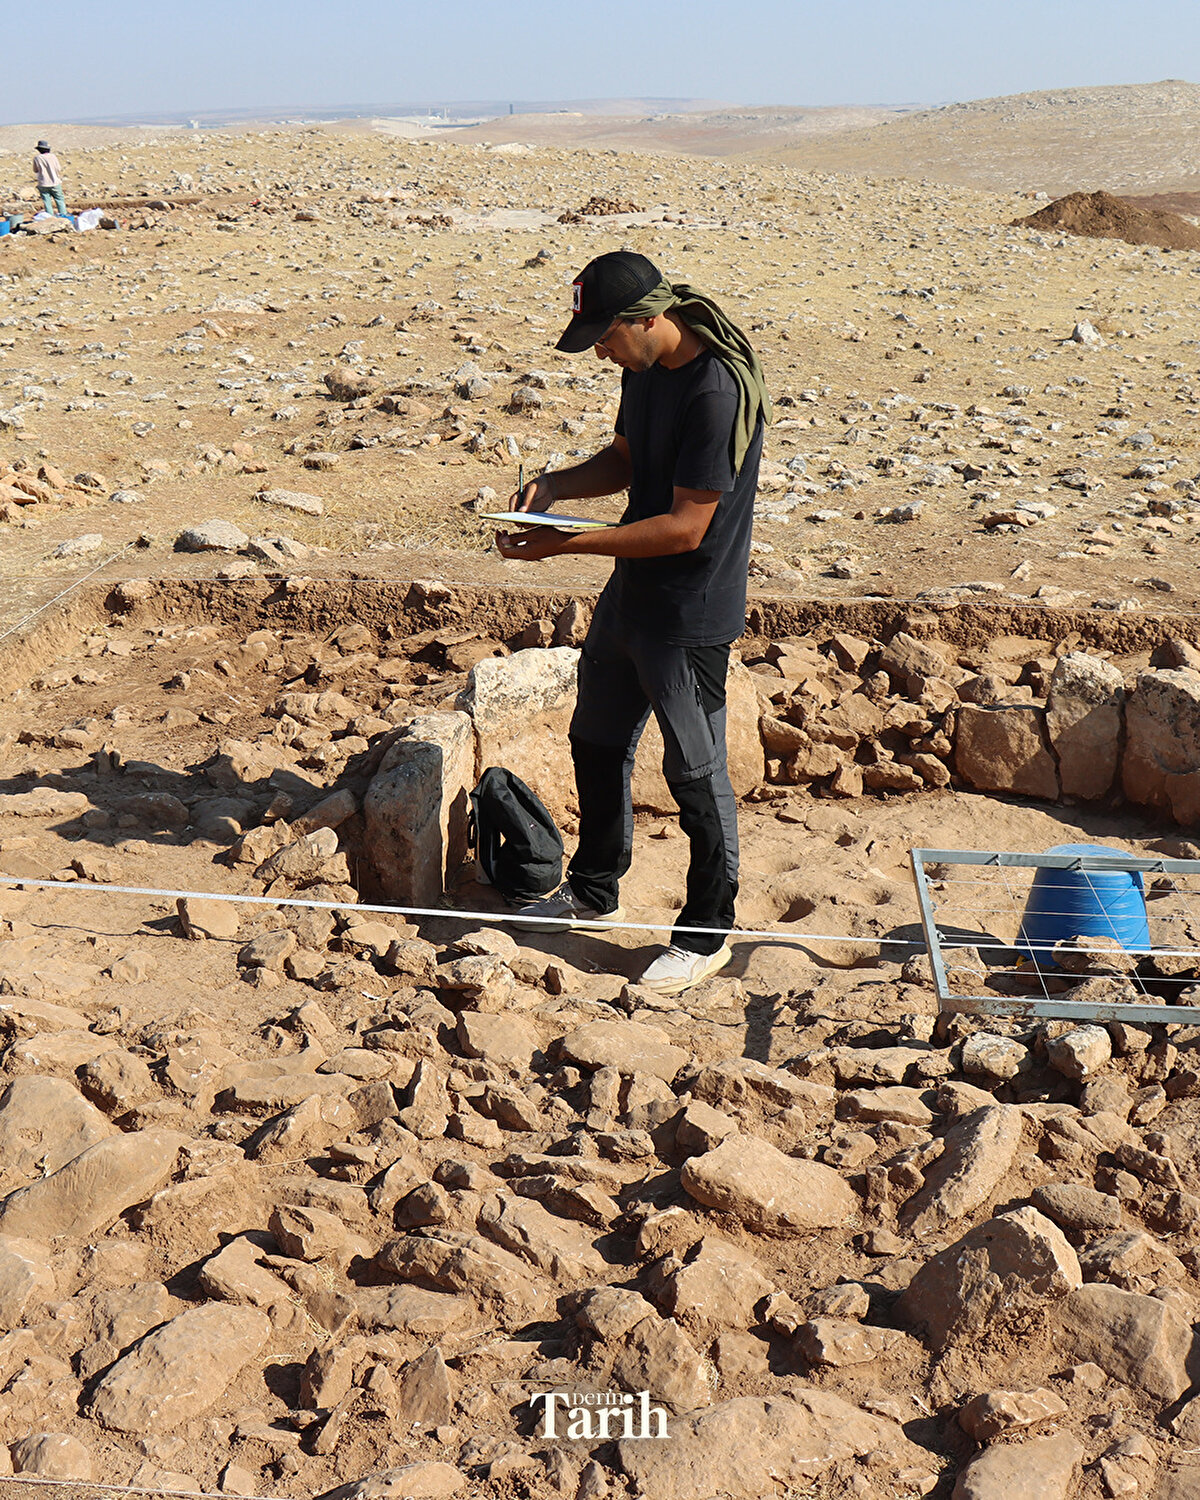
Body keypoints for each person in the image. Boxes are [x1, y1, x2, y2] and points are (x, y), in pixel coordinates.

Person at [497, 249, 770, 995]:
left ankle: (708, 930)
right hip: (632, 594)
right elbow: (624, 462)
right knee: (596, 737)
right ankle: (593, 889)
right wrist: (553, 487)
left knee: (695, 772)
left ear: (649, 320)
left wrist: (569, 545)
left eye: (605, 337)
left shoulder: (713, 393)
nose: (600, 352)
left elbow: (685, 527)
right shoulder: (642, 370)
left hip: (688, 612)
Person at [32, 141, 68, 217]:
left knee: (47, 202)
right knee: (59, 200)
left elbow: (35, 170)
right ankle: (64, 216)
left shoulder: (37, 158)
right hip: (55, 182)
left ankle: (50, 218)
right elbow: (58, 169)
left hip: (43, 183)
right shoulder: (53, 157)